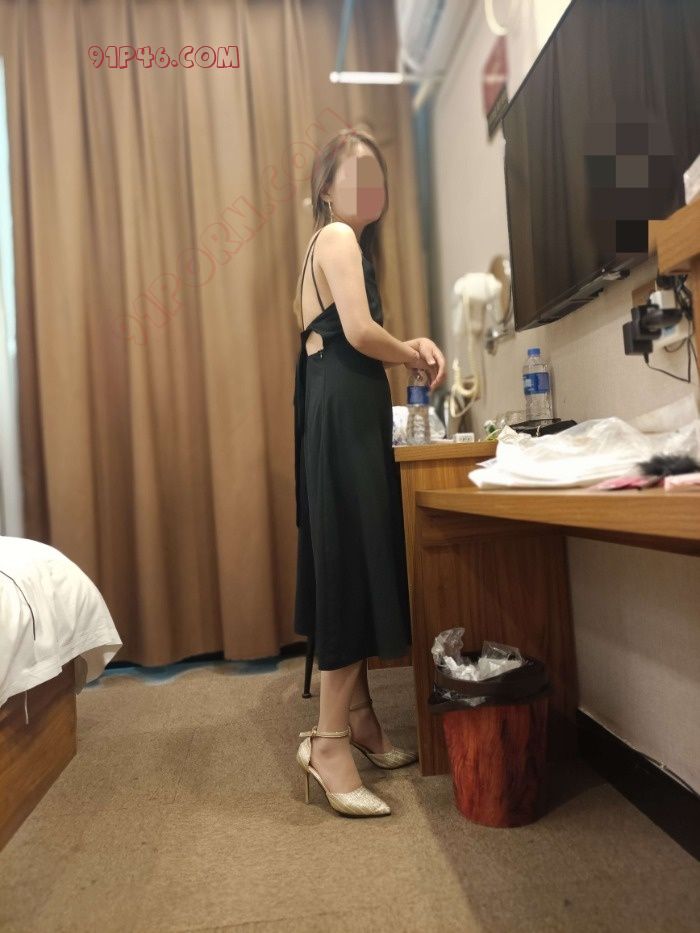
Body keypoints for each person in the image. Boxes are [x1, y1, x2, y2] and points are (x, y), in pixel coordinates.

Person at [292, 128, 446, 817]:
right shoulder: (338, 238)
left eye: (375, 175)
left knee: (346, 550)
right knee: (354, 558)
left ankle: (360, 722)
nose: (367, 187)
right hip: (346, 408)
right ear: (327, 187)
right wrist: (412, 350)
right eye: (354, 174)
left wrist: (401, 347)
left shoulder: (325, 245)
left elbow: (341, 334)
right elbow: (357, 331)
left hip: (335, 403)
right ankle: (327, 744)